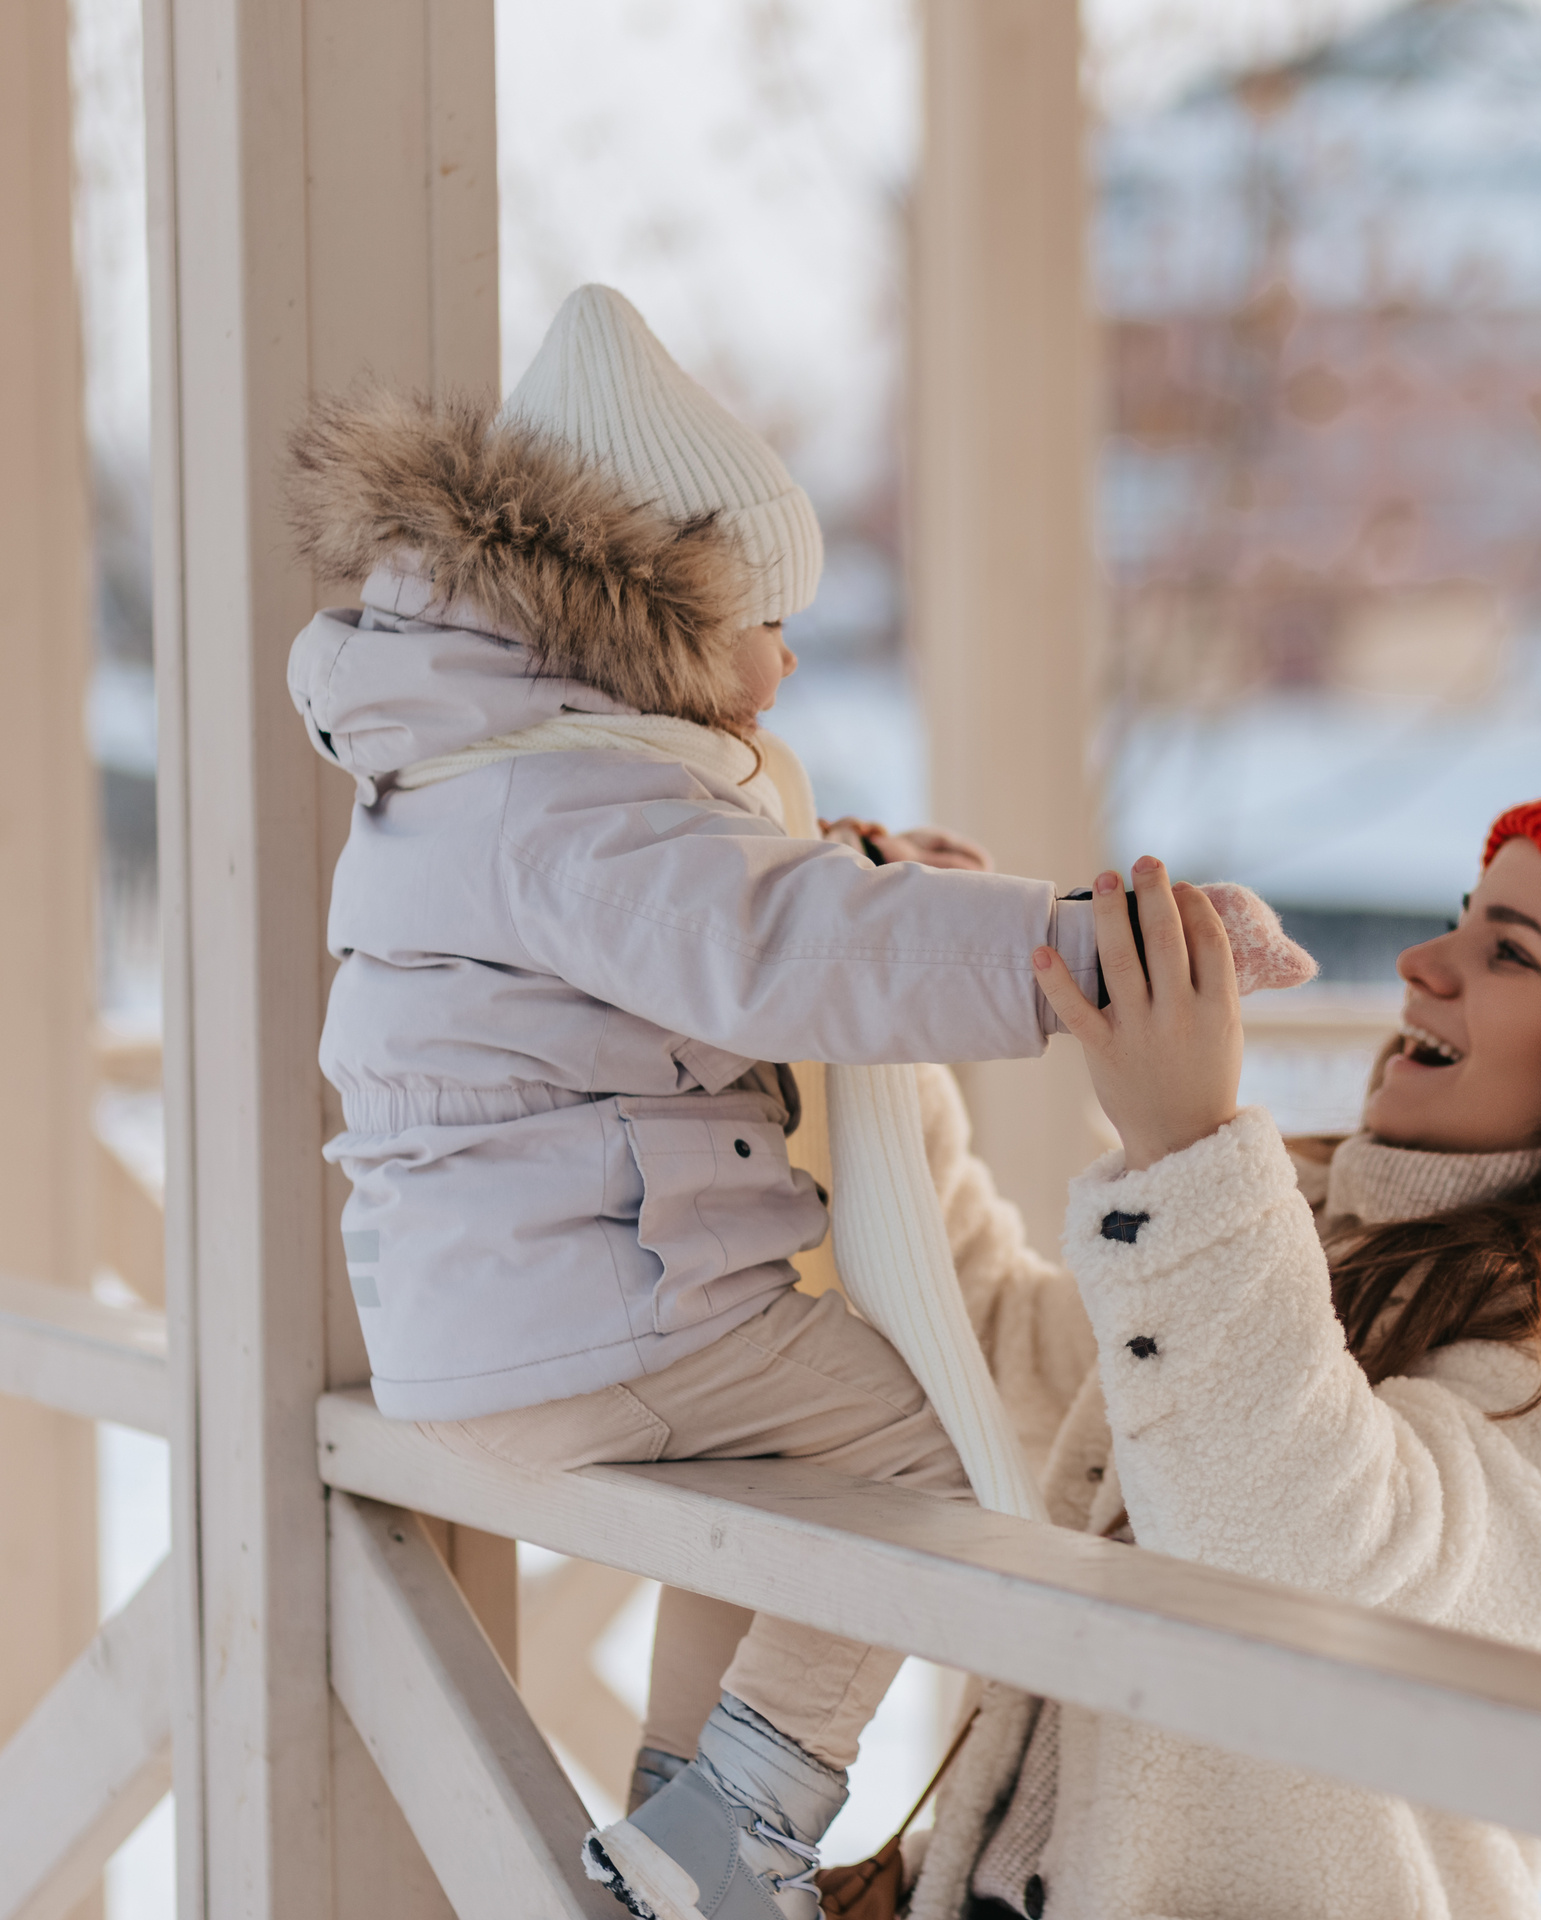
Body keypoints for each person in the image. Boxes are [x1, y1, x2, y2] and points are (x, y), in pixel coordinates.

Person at [281, 283, 1306, 1920]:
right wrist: (1073, 951)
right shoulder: (580, 800)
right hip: (604, 1306)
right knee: (918, 1462)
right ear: (652, 623)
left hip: (488, 1314)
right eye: (762, 616)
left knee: (773, 1503)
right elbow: (769, 946)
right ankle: (728, 1836)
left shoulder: (482, 775)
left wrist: (863, 873)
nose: (788, 655)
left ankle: (681, 1834)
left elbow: (692, 936)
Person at [651, 784, 1541, 1920]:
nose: (1425, 964)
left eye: (1505, 953)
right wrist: (886, 1020)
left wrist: (1191, 1149)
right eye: (1459, 918)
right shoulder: (1301, 1242)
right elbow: (988, 1349)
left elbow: (1303, 1545)